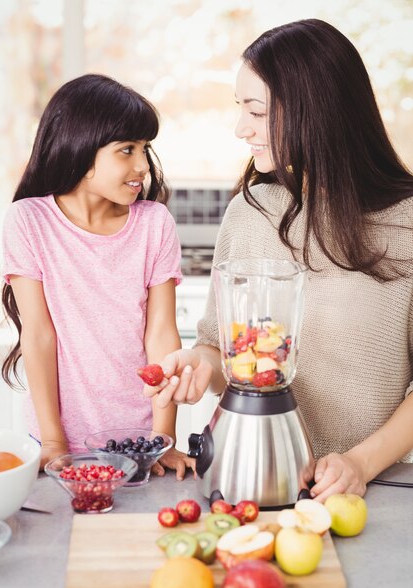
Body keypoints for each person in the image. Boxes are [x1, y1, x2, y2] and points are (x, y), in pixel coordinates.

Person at [145, 18, 413, 501]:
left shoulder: (407, 222)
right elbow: (216, 346)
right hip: (252, 482)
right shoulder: (249, 213)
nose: (239, 128)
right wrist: (199, 365)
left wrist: (359, 463)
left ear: (317, 109)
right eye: (239, 108)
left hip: (382, 486)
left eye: (256, 110)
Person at [1, 73, 195, 479]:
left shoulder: (154, 223)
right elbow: (38, 334)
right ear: (81, 148)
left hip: (139, 443)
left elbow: (161, 334)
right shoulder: (29, 221)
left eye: (145, 149)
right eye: (126, 150)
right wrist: (53, 442)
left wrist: (162, 439)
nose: (142, 165)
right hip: (57, 442)